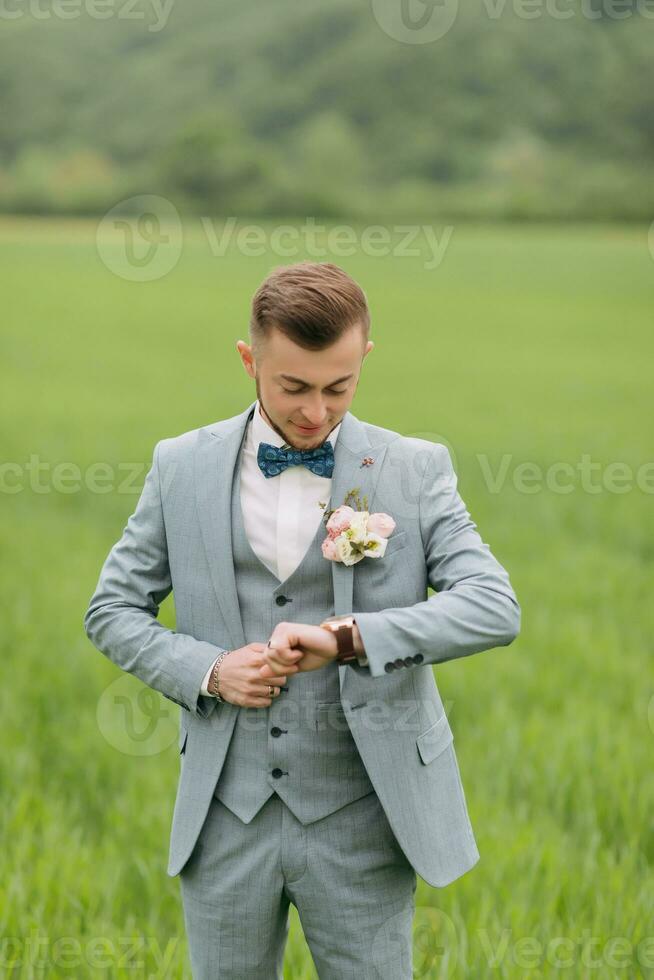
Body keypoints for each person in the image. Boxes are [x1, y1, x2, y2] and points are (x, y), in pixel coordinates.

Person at [83, 260, 521, 979]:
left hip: (365, 813)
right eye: (293, 387)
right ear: (249, 359)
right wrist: (210, 670)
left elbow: (494, 607)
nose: (316, 411)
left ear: (364, 359)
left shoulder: (413, 470)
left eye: (338, 387)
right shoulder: (180, 467)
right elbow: (111, 609)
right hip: (226, 817)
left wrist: (348, 638)